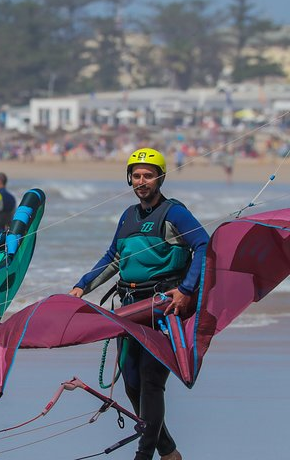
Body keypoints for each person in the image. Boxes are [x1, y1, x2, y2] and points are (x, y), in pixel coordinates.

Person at [68, 148, 209, 460]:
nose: (141, 180)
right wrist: (82, 286)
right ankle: (169, 452)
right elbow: (114, 258)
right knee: (131, 384)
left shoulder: (174, 213)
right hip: (130, 308)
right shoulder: (128, 215)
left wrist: (186, 290)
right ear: (129, 177)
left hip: (162, 309)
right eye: (136, 175)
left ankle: (143, 456)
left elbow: (204, 245)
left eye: (148, 175)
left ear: (159, 177)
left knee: (150, 381)